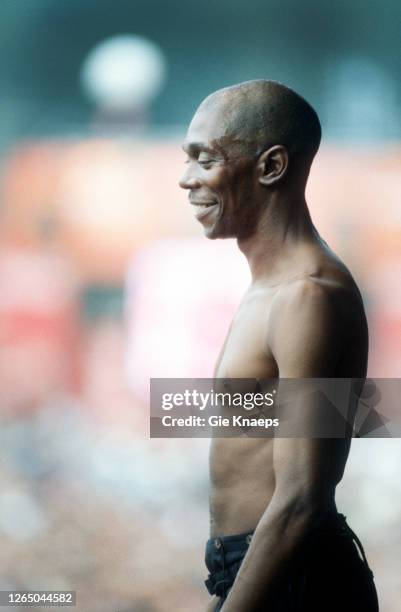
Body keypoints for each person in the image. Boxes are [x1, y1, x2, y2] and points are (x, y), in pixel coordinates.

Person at [179, 80, 379, 611]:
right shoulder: (271, 290)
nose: (186, 179)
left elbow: (301, 501)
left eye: (205, 159)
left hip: (297, 581)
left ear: (270, 167)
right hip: (266, 573)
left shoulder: (307, 296)